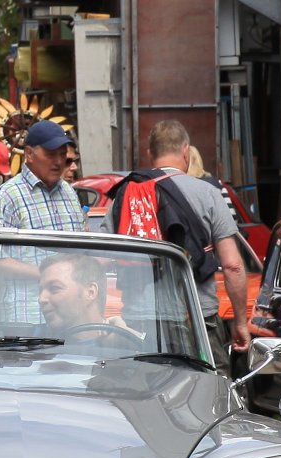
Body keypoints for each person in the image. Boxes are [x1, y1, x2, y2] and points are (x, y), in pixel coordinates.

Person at [103, 120, 249, 370]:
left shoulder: (127, 193)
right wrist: (241, 322)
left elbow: (102, 257)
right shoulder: (208, 193)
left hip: (141, 322)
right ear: (186, 151)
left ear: (150, 153)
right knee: (209, 386)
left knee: (144, 387)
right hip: (197, 318)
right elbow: (233, 266)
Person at [0, 121, 87, 325]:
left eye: (63, 155)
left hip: (70, 315)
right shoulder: (6, 196)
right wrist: (46, 274)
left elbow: (82, 247)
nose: (58, 162)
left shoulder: (69, 192)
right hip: (27, 315)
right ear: (29, 154)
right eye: (51, 154)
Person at [38, 253, 111, 333]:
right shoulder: (34, 335)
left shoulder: (118, 339)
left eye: (54, 288)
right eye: (40, 290)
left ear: (90, 292)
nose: (41, 299)